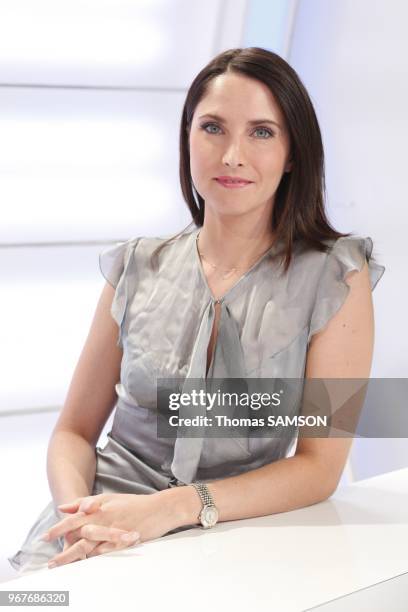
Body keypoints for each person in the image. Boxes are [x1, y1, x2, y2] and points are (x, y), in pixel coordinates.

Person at [8, 46, 385, 575]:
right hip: (91, 526)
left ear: (293, 151)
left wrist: (171, 509)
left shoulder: (336, 276)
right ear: (187, 138)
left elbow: (320, 468)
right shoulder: (139, 265)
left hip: (230, 533)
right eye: (212, 128)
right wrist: (82, 517)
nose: (232, 154)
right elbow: (73, 432)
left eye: (261, 132)